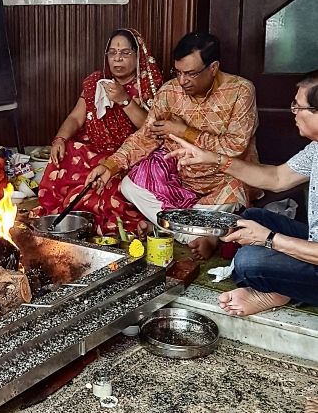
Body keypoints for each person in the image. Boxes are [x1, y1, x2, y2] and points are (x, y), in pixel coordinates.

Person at [87, 32, 259, 258]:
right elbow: (146, 137)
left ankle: (173, 228)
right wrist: (110, 165)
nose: (182, 81)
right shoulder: (170, 91)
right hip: (178, 176)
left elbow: (234, 146)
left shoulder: (241, 91)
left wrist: (183, 131)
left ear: (213, 67)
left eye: (190, 73)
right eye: (177, 72)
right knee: (130, 186)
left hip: (222, 177)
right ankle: (202, 234)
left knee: (237, 187)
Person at [168, 69, 318, 316]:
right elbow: (276, 178)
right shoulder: (315, 148)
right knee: (252, 217)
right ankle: (284, 285)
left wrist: (268, 239)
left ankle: (278, 293)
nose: (293, 112)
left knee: (249, 261)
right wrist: (213, 159)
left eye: (299, 107)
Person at [35, 28, 163, 234]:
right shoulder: (96, 82)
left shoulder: (148, 86)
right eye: (112, 53)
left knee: (113, 188)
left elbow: (150, 129)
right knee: (66, 151)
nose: (117, 59)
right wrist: (59, 138)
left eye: (124, 53)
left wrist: (124, 99)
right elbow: (76, 117)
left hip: (128, 157)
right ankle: (69, 214)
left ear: (138, 55)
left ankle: (110, 221)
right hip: (94, 151)